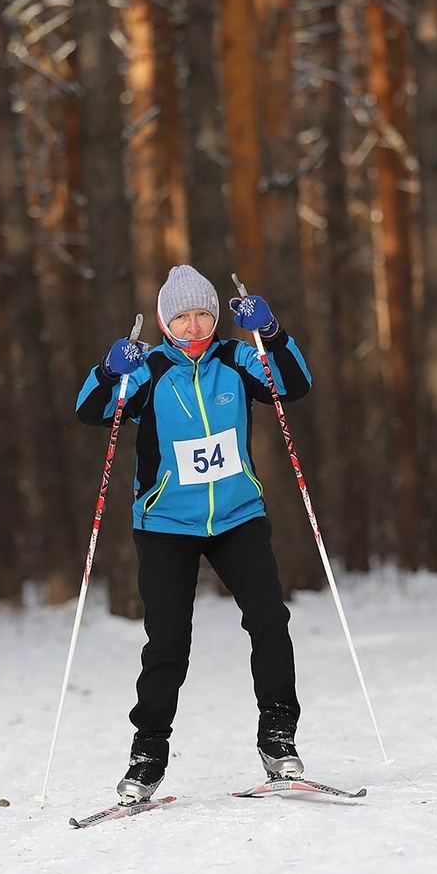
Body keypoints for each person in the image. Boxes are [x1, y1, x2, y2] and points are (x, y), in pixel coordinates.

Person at [76, 264, 313, 802]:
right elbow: (91, 413)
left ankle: (278, 736)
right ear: (163, 321)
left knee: (270, 621)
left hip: (238, 516)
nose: (192, 324)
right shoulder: (150, 370)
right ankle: (147, 756)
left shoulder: (236, 359)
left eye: (202, 312)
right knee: (168, 644)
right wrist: (108, 370)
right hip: (165, 524)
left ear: (216, 315)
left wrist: (273, 334)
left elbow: (294, 386)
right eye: (180, 316)